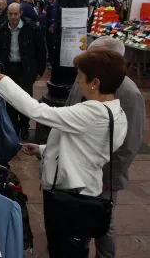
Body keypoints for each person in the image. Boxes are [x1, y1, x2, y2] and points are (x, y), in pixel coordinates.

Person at [0, 49, 128, 258]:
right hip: (83, 191)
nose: (78, 82)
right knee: (69, 247)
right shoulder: (115, 112)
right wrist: (44, 150)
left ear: (95, 82)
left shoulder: (93, 112)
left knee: (65, 250)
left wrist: (4, 82)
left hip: (71, 195)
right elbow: (86, 148)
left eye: (80, 77)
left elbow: (39, 112)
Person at [66, 37, 145, 258]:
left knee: (103, 224)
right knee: (78, 221)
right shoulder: (86, 74)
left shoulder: (129, 93)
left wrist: (103, 178)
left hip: (104, 177)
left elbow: (128, 147)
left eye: (95, 56)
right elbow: (69, 108)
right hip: (77, 168)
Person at [0, 3, 46, 140]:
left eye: (15, 14)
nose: (13, 17)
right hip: (8, 69)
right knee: (10, 99)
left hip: (26, 69)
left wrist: (40, 71)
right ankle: (13, 126)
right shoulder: (2, 29)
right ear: (7, 14)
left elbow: (41, 51)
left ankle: (24, 126)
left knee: (25, 100)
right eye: (10, 14)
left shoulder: (31, 29)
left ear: (20, 14)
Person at [45, 0, 58, 65]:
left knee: (54, 46)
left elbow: (58, 17)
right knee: (49, 45)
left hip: (55, 29)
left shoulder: (58, 5)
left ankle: (53, 61)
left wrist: (53, 25)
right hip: (47, 29)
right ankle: (50, 60)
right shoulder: (47, 5)